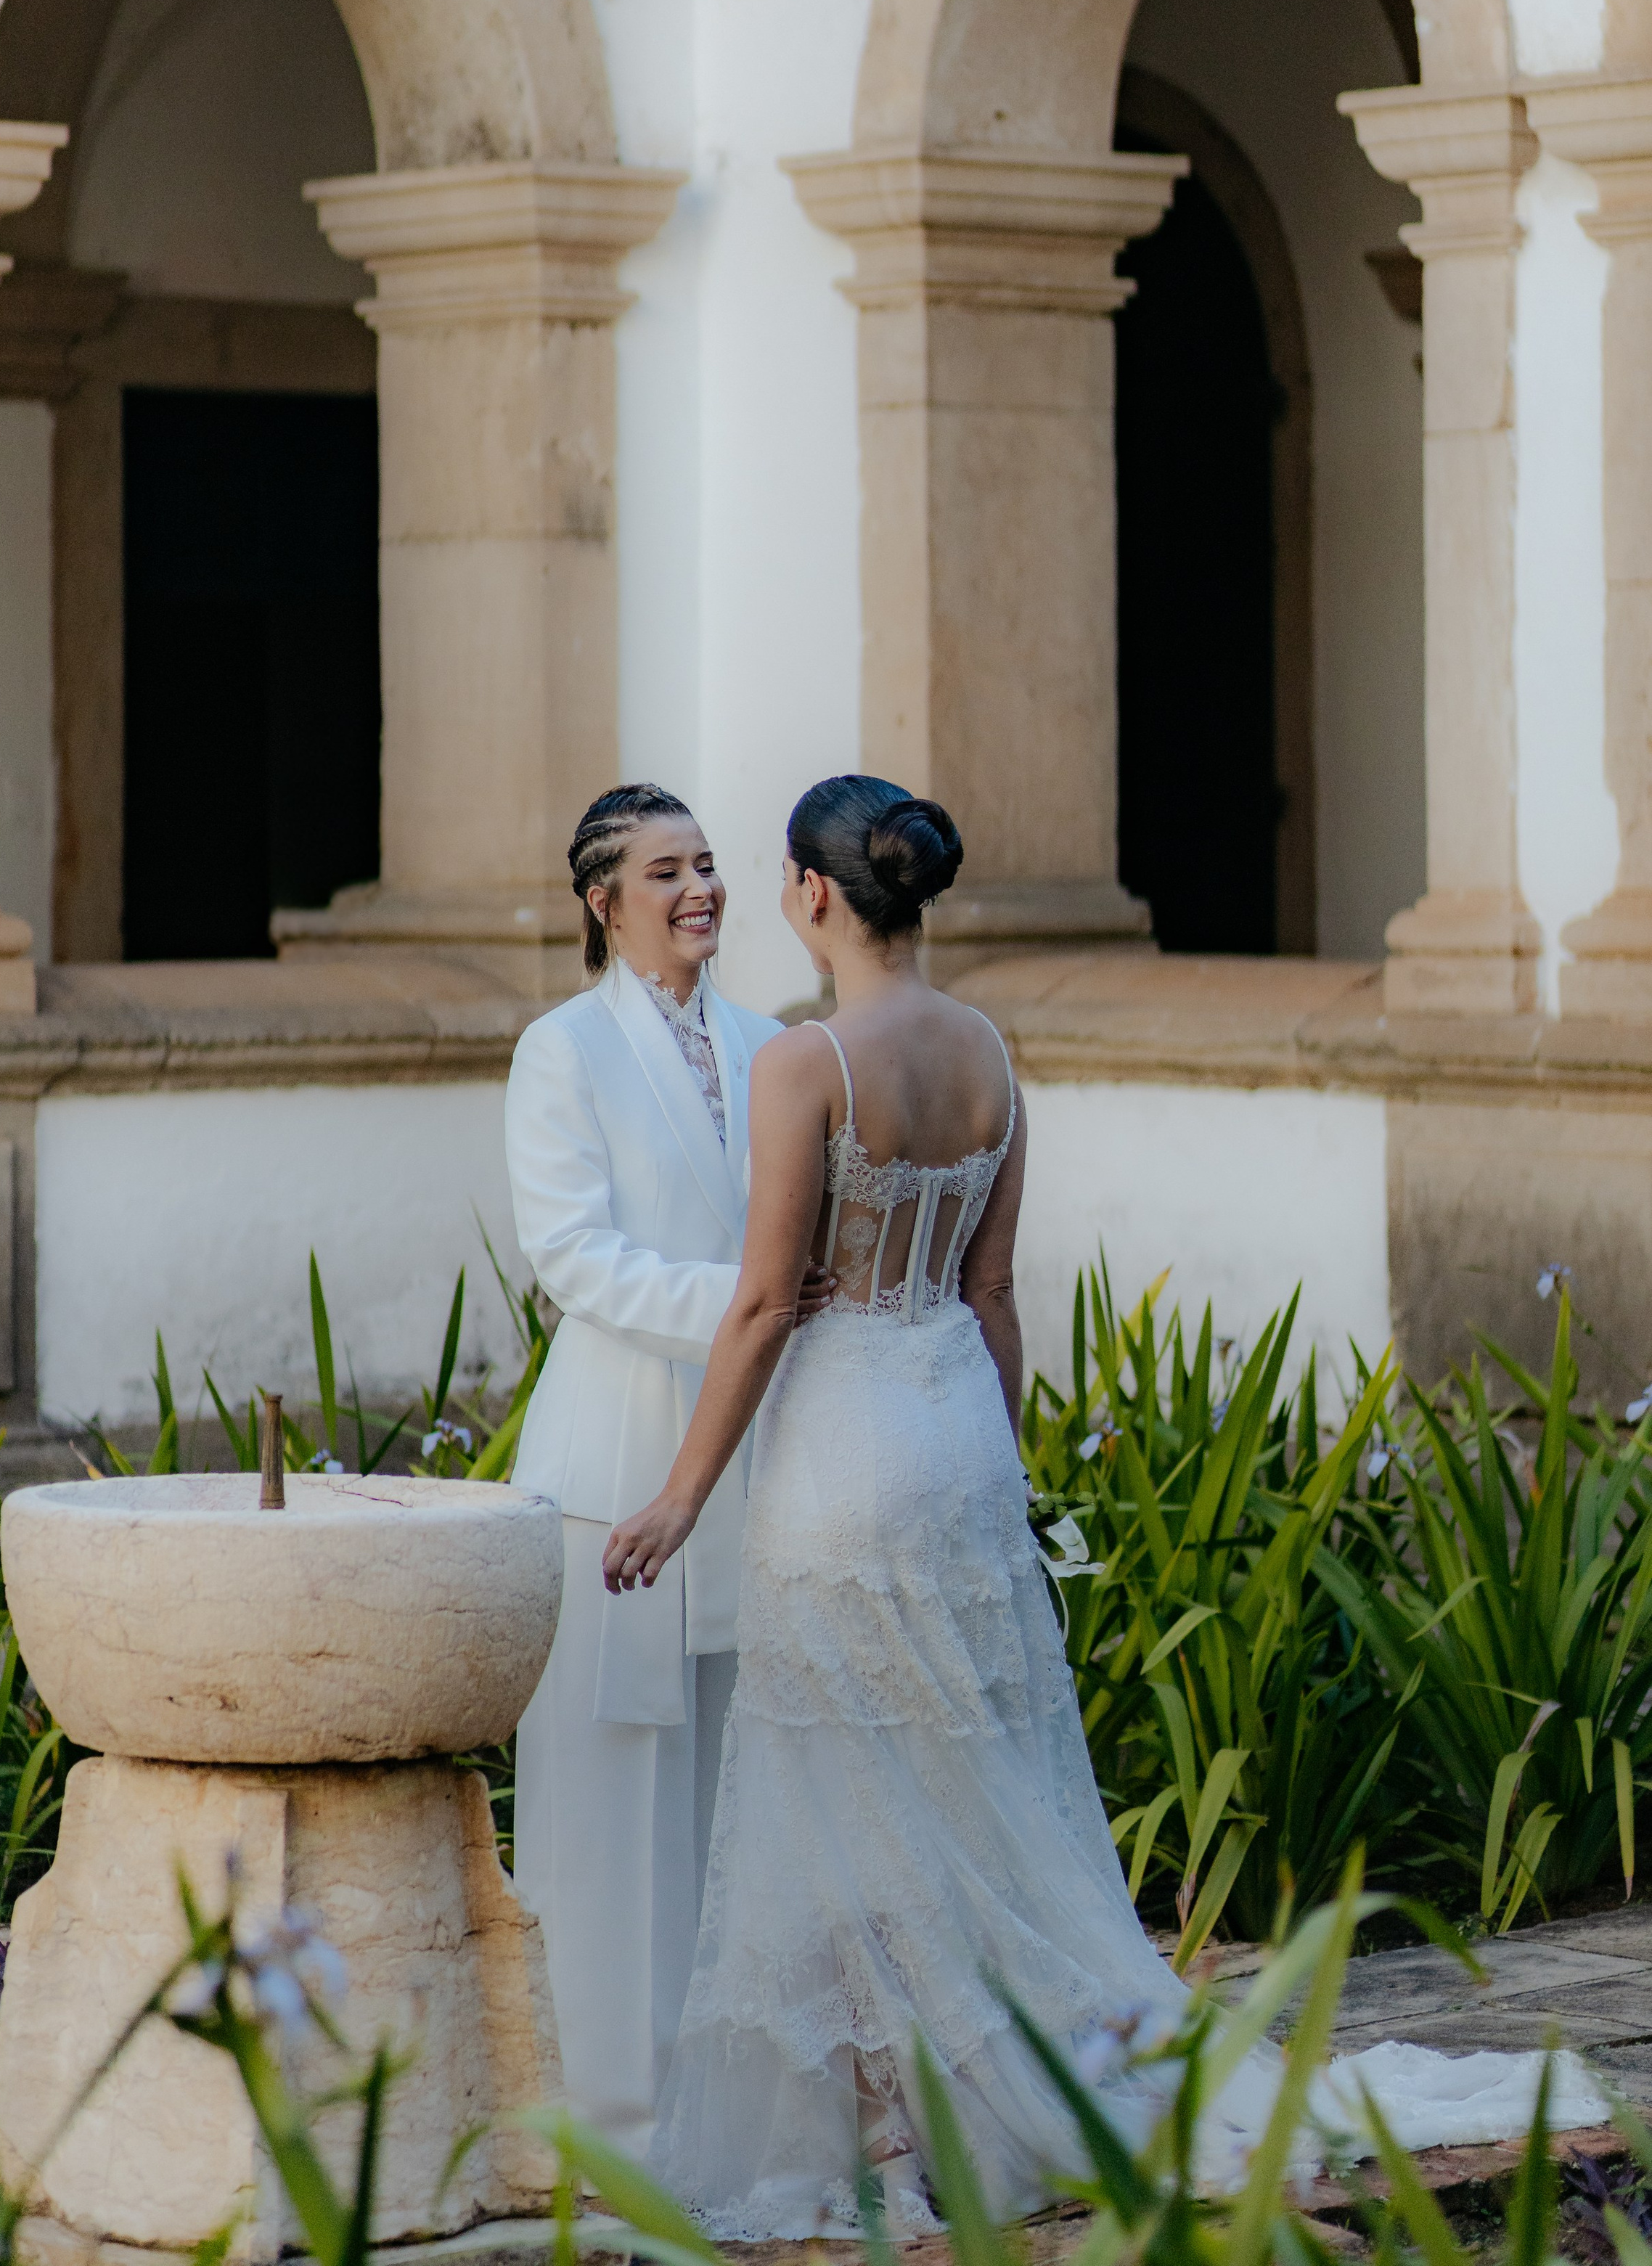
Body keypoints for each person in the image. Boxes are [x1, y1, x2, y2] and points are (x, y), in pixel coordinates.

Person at [605, 775, 1606, 2239]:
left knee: (851, 1778)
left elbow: (764, 1302)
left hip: (843, 1441)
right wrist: (993, 1471)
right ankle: (938, 2088)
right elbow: (993, 1293)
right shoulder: (989, 1052)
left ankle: (921, 2104)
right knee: (966, 1767)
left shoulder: (800, 1064)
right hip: (952, 1417)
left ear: (811, 895)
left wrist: (679, 1496)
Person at [505, 782, 830, 2156]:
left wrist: (779, 1315)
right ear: (603, 900)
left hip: (746, 1451)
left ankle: (717, 2096)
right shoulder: (561, 1050)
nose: (698, 890)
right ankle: (606, 2112)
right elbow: (570, 1255)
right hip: (613, 1453)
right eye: (664, 871)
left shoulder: (771, 1046)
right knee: (609, 1783)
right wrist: (748, 1301)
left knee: (727, 1782)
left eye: (706, 866)